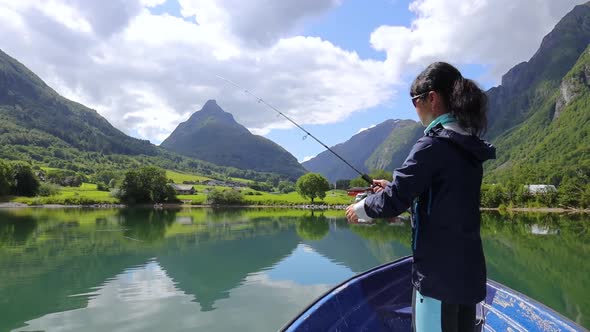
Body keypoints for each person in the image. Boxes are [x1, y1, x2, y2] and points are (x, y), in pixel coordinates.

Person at [346, 62, 496, 332]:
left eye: (414, 101)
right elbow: (440, 198)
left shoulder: (432, 145)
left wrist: (362, 208)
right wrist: (394, 187)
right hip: (469, 276)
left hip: (438, 278)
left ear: (432, 98)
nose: (414, 109)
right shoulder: (470, 149)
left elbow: (395, 200)